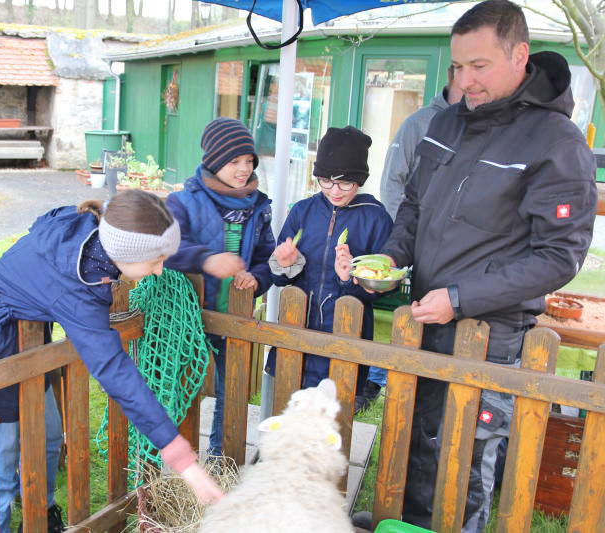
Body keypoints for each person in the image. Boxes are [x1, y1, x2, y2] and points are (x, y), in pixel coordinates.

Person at [377, 1, 597, 530]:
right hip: (425, 319)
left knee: (467, 462)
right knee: (414, 443)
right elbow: (413, 207)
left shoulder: (556, 142)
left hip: (489, 335)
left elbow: (559, 254)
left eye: (479, 66)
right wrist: (391, 255)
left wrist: (459, 298)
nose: (465, 80)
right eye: (457, 67)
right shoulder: (446, 123)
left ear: (520, 55)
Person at [0, 189, 223, 532]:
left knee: (48, 437)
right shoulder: (77, 289)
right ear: (123, 253)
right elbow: (116, 373)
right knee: (3, 464)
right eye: (155, 262)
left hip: (28, 340)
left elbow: (146, 247)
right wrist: (181, 458)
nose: (161, 271)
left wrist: (204, 260)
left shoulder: (102, 229)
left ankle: (41, 515)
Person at [165, 117, 276, 457]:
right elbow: (167, 248)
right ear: (214, 161)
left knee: (233, 389)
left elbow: (266, 254)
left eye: (249, 161)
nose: (244, 169)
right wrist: (206, 259)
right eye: (234, 162)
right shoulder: (182, 202)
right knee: (182, 387)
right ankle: (178, 460)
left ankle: (221, 457)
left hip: (235, 315)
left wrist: (257, 276)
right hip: (190, 316)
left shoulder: (259, 206)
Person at [267, 126, 393, 406]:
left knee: (335, 420)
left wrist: (349, 280)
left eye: (345, 183)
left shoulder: (376, 219)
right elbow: (279, 278)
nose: (334, 191)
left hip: (345, 337)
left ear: (359, 180)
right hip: (297, 332)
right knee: (289, 411)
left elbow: (383, 290)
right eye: (326, 181)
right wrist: (285, 264)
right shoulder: (303, 211)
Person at [379, 66, 464, 221]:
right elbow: (391, 181)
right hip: (413, 230)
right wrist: (400, 229)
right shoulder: (418, 123)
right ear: (456, 75)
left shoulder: (482, 126)